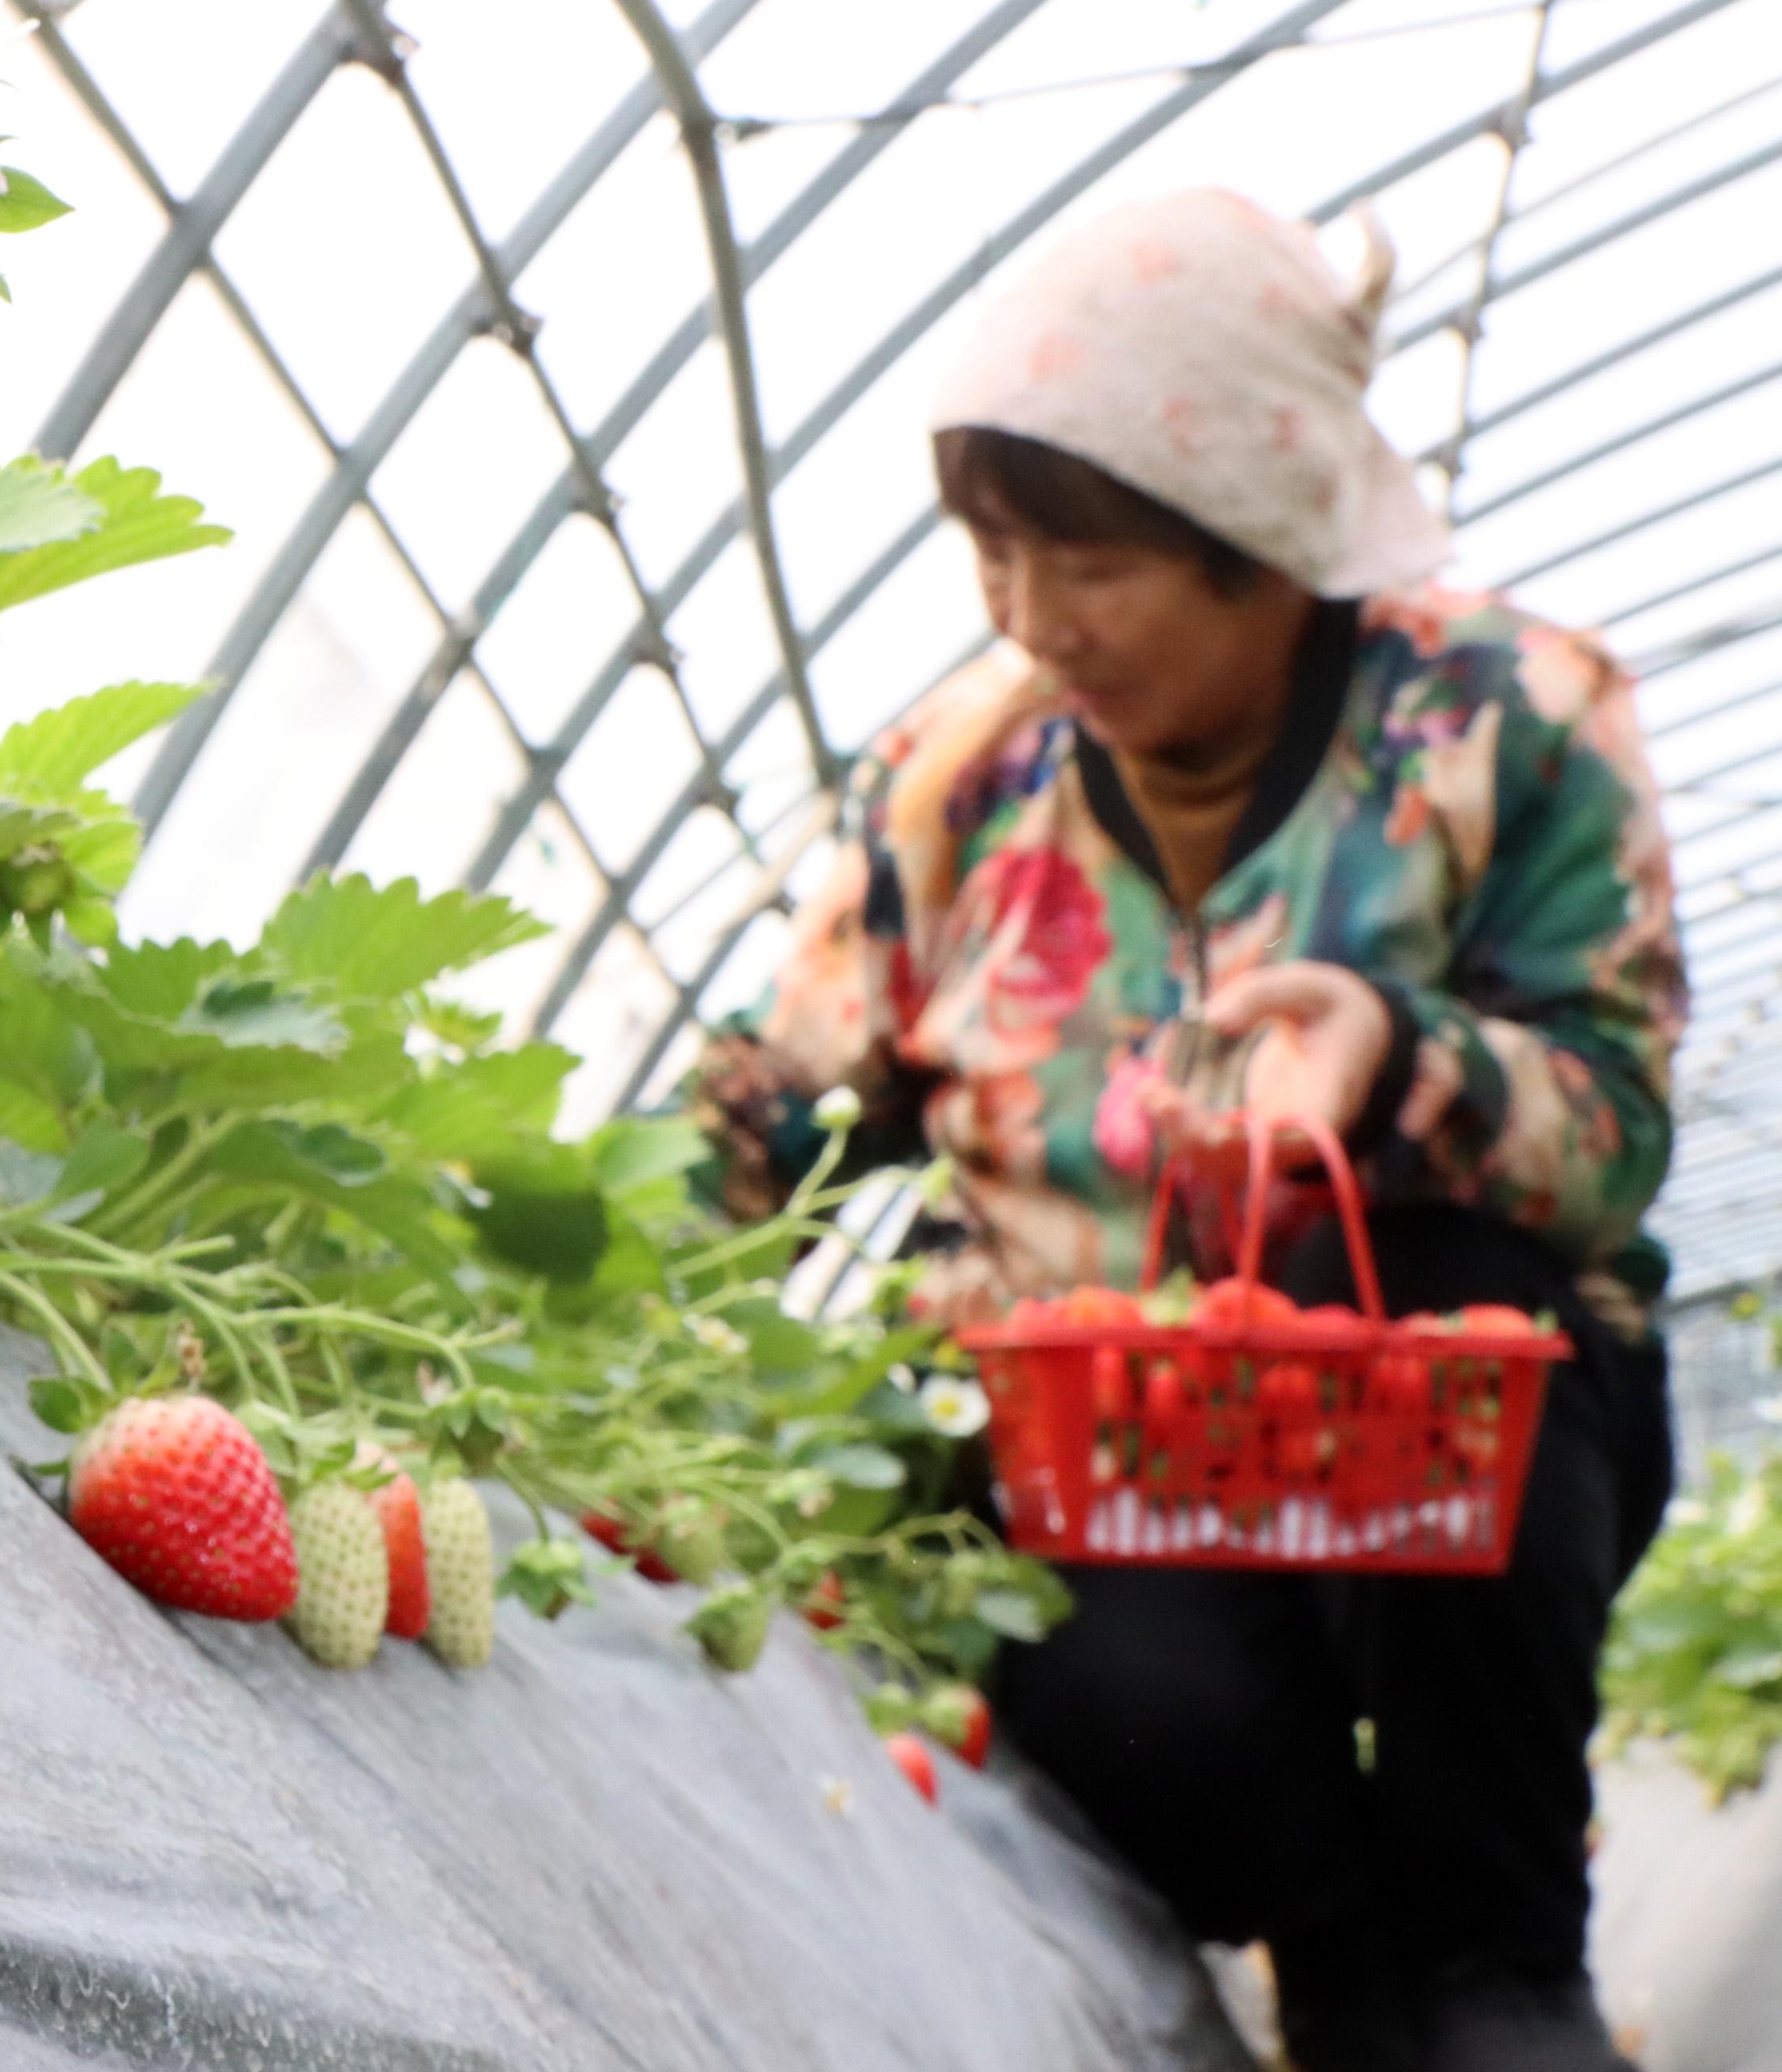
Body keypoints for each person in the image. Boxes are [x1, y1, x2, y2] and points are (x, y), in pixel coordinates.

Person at [686, 190, 1683, 2072]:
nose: (1025, 615)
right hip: (1093, 1462)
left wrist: (1395, 1057)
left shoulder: (1503, 725)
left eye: (1085, 562)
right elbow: (764, 1107)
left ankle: (1502, 1960)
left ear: (1262, 549)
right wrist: (550, 1293)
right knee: (1137, 1698)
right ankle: (1335, 1955)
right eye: (991, 551)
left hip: (1457, 1454)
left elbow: (1616, 1130)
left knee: (1433, 1286)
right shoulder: (957, 788)